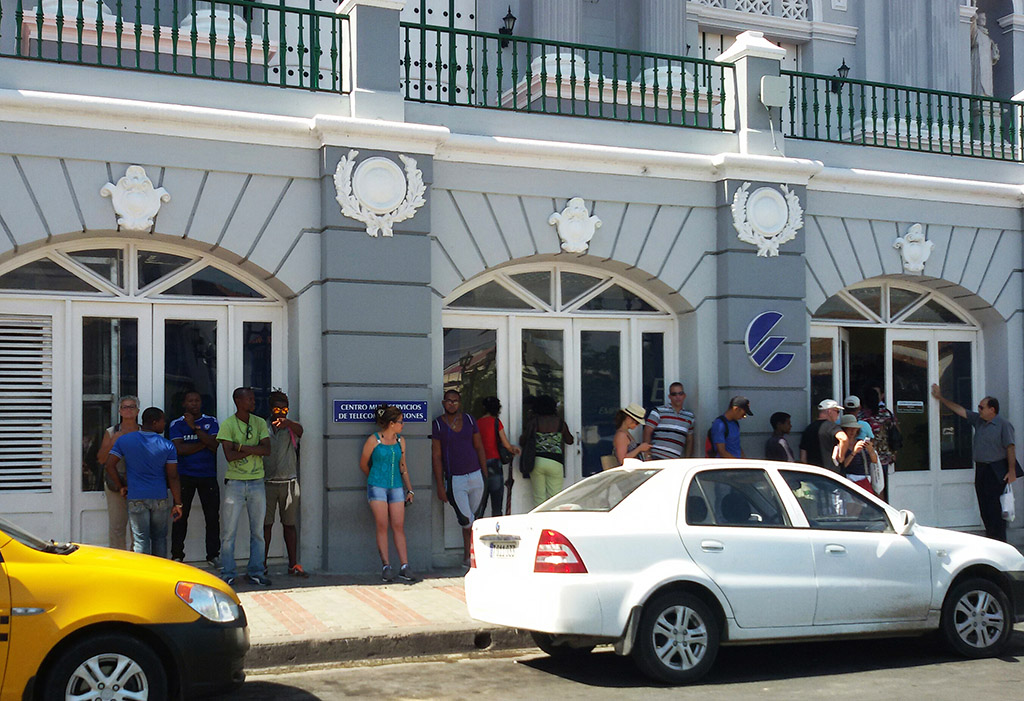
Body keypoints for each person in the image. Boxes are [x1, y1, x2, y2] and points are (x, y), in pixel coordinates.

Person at [931, 384, 1019, 542]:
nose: (979, 409)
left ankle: (1000, 541)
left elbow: (1010, 447)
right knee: (984, 507)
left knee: (995, 508)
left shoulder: (1003, 425)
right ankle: (990, 538)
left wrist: (1011, 470)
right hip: (982, 469)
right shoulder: (978, 421)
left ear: (992, 410)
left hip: (996, 469)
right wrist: (941, 398)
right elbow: (960, 410)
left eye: (982, 407)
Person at [104, 407, 183, 556]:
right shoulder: (167, 445)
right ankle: (160, 574)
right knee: (159, 538)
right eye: (162, 421)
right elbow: (173, 477)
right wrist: (178, 503)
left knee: (141, 540)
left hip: (136, 496)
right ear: (154, 423)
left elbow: (109, 465)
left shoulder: (125, 440)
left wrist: (121, 486)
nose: (164, 424)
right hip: (159, 497)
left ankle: (143, 575)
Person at [217, 387, 272, 586]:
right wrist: (253, 449)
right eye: (249, 398)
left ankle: (256, 572)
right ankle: (228, 572)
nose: (253, 401)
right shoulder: (228, 425)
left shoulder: (259, 422)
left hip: (257, 481)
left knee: (257, 532)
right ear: (238, 401)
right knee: (229, 532)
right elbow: (229, 456)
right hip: (235, 483)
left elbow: (267, 450)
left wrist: (240, 447)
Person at [360, 404, 417, 583]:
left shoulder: (401, 441)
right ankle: (386, 565)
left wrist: (410, 489)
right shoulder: (374, 440)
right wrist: (374, 480)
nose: (403, 424)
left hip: (396, 486)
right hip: (377, 485)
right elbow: (363, 463)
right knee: (382, 524)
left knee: (398, 525)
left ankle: (404, 565)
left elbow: (403, 466)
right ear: (391, 423)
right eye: (400, 421)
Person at [432, 389, 488, 566]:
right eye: (448, 401)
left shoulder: (470, 420)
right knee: (466, 520)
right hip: (455, 478)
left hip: (475, 474)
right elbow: (436, 456)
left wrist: (485, 474)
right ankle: (467, 555)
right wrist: (440, 485)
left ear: (460, 402)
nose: (452, 404)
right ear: (443, 403)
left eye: (455, 401)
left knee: (477, 519)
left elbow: (479, 447)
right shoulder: (438, 425)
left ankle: (474, 556)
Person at [168, 390, 220, 567]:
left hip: (208, 475)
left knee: (212, 517)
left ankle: (213, 555)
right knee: (181, 517)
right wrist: (203, 442)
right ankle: (177, 555)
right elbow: (179, 450)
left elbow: (214, 445)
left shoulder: (211, 421)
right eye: (190, 401)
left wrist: (195, 429)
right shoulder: (176, 424)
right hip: (185, 476)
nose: (194, 404)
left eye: (197, 400)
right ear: (184, 404)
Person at [263, 390, 309, 578]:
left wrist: (288, 422)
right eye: (277, 408)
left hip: (289, 483)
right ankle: (262, 565)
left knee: (289, 525)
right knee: (265, 525)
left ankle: (293, 564)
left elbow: (301, 431)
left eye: (284, 409)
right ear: (270, 408)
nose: (281, 412)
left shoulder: (291, 427)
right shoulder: (262, 426)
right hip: (266, 483)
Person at [97, 395, 140, 550]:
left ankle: (137, 563)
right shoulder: (111, 431)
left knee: (138, 530)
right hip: (115, 484)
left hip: (138, 484)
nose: (128, 410)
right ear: (120, 411)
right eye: (124, 407)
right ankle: (118, 563)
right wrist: (113, 442)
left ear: (138, 411)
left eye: (132, 407)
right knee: (117, 526)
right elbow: (101, 459)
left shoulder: (144, 431)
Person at [519, 395, 574, 507]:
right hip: (555, 462)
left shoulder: (534, 422)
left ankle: (540, 523)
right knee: (555, 498)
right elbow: (570, 440)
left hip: (537, 461)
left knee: (539, 498)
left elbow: (522, 440)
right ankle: (554, 523)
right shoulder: (560, 423)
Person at [477, 396, 520, 518]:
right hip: (494, 464)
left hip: (479, 464)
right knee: (497, 503)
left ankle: (476, 528)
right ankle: (497, 531)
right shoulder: (496, 422)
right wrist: (514, 449)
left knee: (480, 502)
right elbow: (506, 444)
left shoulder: (477, 423)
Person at [643, 382, 695, 460]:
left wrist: (687, 459)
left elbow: (690, 440)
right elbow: (647, 431)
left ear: (684, 395)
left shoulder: (689, 416)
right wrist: (647, 455)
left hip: (675, 461)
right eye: (674, 394)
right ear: (669, 397)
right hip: (656, 458)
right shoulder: (658, 411)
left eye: (680, 393)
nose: (678, 397)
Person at [799, 399, 849, 471]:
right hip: (832, 473)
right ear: (829, 412)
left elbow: (803, 456)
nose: (838, 415)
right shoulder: (832, 426)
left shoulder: (808, 429)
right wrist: (841, 457)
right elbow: (843, 438)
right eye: (837, 411)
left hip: (814, 473)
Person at [859, 386, 899, 473]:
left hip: (867, 457)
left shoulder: (861, 416)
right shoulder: (886, 414)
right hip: (885, 456)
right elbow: (895, 432)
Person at [838, 413, 878, 494]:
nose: (852, 431)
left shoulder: (861, 443)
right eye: (849, 428)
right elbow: (842, 466)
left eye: (854, 428)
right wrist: (854, 452)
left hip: (863, 480)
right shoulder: (840, 445)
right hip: (848, 479)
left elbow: (874, 461)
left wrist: (870, 450)